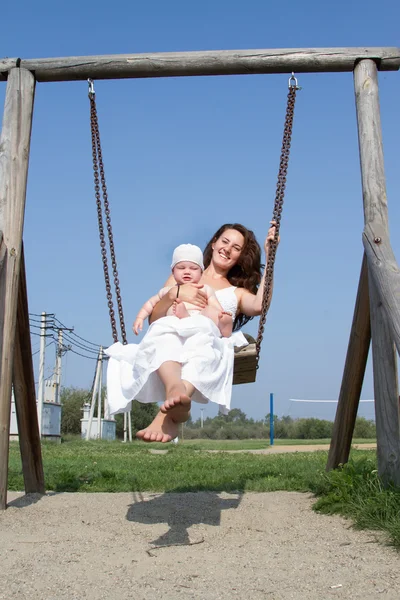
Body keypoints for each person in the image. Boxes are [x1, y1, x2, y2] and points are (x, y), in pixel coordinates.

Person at [105, 222, 278, 443]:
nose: (228, 248)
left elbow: (260, 305)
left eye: (236, 247)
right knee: (164, 339)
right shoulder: (184, 273)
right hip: (173, 336)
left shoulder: (237, 293)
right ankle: (176, 395)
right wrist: (175, 293)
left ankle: (166, 414)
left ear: (240, 255)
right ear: (214, 243)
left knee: (203, 350)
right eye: (225, 241)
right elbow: (155, 319)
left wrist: (271, 256)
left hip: (206, 342)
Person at [133, 243, 233, 338]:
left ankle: (224, 326)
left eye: (193, 268)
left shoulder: (204, 288)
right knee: (170, 316)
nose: (187, 272)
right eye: (181, 268)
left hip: (198, 318)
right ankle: (183, 315)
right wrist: (140, 318)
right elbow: (150, 304)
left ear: (201, 273)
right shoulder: (167, 291)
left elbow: (214, 304)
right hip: (175, 321)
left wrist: (220, 313)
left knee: (210, 311)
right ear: (173, 271)